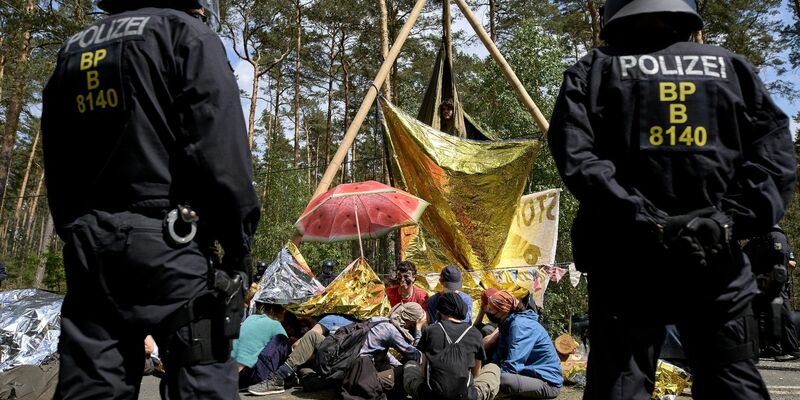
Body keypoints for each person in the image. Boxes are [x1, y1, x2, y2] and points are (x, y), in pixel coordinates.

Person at [547, 1, 796, 399]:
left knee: (622, 385)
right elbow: (775, 162)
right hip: (716, 259)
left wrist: (642, 218)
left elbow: (576, 157)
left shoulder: (594, 70)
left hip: (625, 262)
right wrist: (726, 221)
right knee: (732, 381)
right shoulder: (732, 69)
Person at [40, 1, 260, 398]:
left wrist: (76, 231)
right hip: (172, 244)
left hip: (92, 249)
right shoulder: (186, 35)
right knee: (202, 382)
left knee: (91, 386)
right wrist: (238, 247)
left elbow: (56, 158)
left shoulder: (74, 48)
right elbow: (221, 154)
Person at [251, 304, 425, 396]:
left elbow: (379, 352)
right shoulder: (391, 330)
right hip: (352, 368)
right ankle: (290, 378)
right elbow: (414, 355)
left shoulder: (378, 320)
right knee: (402, 369)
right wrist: (418, 330)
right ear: (409, 321)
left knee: (312, 337)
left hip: (338, 359)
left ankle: (281, 376)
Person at [404, 292, 500, 400]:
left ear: (440, 311)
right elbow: (476, 374)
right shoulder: (475, 333)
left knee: (410, 364)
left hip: (431, 395)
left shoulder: (430, 330)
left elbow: (423, 370)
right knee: (493, 368)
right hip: (465, 396)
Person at [481, 290, 562, 399]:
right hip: (528, 374)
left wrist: (490, 377)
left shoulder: (520, 326)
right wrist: (486, 372)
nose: (488, 311)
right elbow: (498, 356)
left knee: (502, 380)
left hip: (547, 382)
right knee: (489, 374)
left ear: (502, 310)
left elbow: (513, 365)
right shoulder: (505, 324)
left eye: (491, 309)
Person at [744, 226, 800, 361]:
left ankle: (792, 350)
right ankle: (771, 348)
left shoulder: (775, 235)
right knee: (762, 317)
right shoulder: (757, 239)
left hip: (774, 283)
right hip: (758, 284)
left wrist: (774, 281)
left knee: (783, 315)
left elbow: (785, 261)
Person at [232, 303, 291, 389]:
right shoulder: (276, 325)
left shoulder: (250, 318)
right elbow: (288, 354)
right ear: (281, 313)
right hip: (250, 376)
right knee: (282, 340)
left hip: (231, 374)